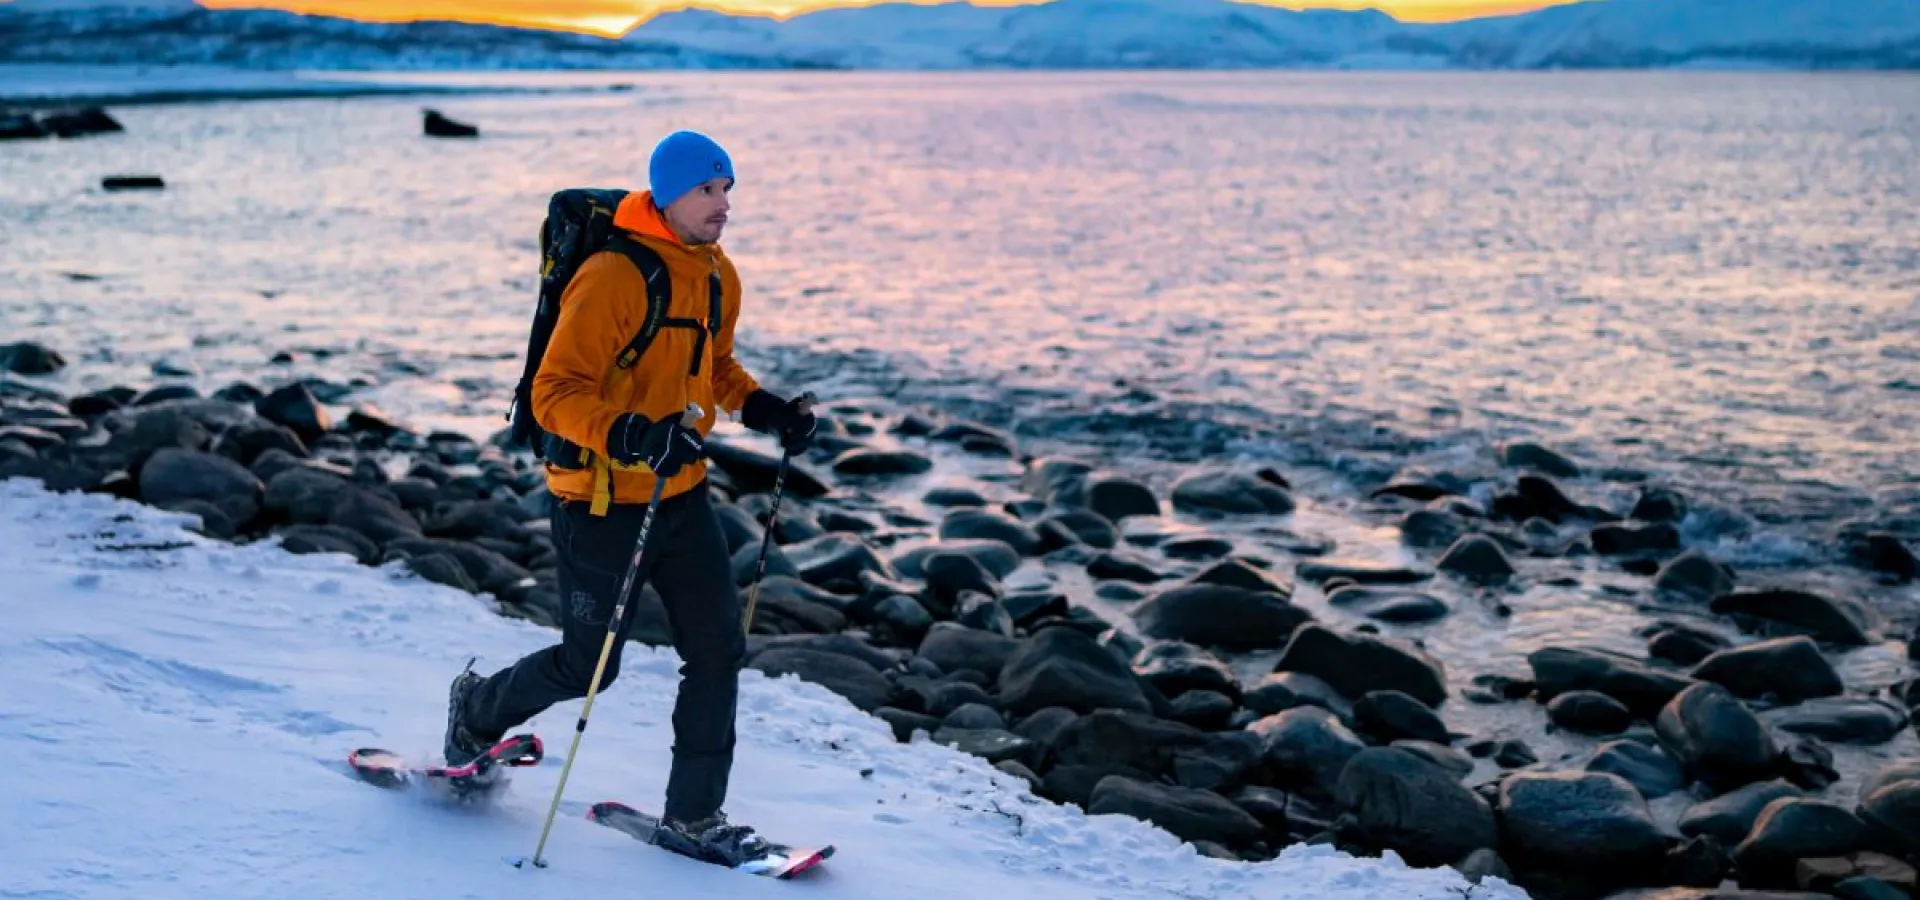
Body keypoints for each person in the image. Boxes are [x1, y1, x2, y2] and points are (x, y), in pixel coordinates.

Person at [440, 129, 818, 866]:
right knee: (590, 667)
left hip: (681, 495)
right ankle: (475, 711)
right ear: (670, 193)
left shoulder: (716, 274)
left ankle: (695, 816)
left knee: (717, 648)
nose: (724, 205)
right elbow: (554, 393)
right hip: (600, 500)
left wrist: (766, 408)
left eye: (728, 190)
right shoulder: (614, 276)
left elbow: (713, 368)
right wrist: (633, 436)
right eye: (709, 190)